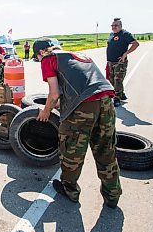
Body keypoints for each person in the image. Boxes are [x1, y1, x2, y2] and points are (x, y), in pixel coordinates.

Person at [33, 38, 122, 209]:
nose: (39, 61)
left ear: (40, 52)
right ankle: (112, 195)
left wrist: (46, 112)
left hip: (84, 107)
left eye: (37, 58)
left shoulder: (48, 58)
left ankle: (70, 191)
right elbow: (79, 84)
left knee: (72, 151)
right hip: (106, 100)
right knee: (106, 149)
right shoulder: (77, 55)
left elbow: (54, 93)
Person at [107, 18, 139, 107]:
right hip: (110, 62)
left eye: (116, 25)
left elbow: (136, 44)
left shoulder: (125, 34)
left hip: (120, 62)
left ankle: (117, 98)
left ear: (121, 26)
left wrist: (126, 53)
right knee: (112, 80)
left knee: (118, 80)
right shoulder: (111, 34)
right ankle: (122, 93)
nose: (114, 27)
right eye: (112, 25)